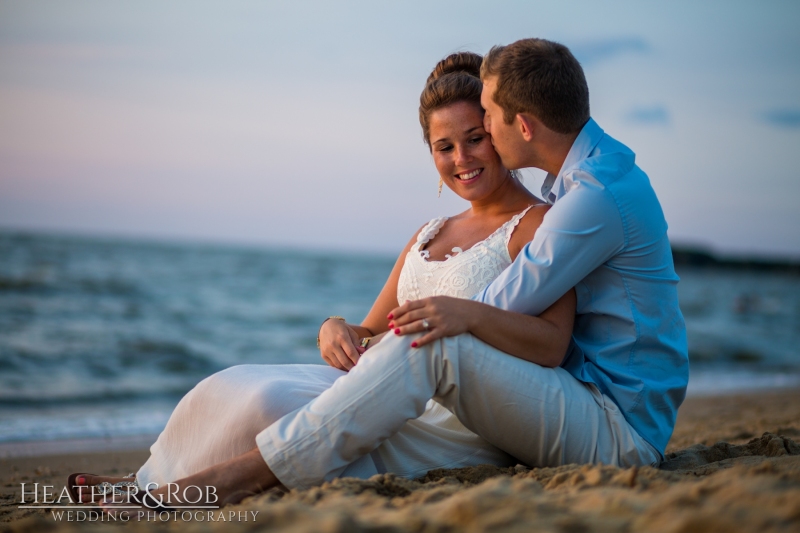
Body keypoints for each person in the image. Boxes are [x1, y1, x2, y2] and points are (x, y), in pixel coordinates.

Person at [70, 51, 580, 507]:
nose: (461, 159)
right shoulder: (429, 232)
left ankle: (180, 496)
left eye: (474, 139)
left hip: (451, 419)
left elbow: (551, 345)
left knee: (268, 404)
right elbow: (369, 330)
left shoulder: (539, 225)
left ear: (497, 133)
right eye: (443, 146)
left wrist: (466, 319)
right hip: (370, 382)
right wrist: (335, 328)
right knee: (228, 385)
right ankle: (144, 485)